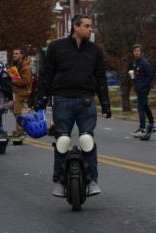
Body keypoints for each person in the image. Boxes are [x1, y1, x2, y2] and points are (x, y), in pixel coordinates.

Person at [36, 14, 111, 197]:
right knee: (62, 140)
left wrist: (105, 103)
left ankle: (93, 181)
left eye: (90, 26)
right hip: (62, 99)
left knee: (87, 140)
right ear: (75, 27)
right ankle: (60, 181)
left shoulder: (95, 51)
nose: (90, 29)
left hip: (86, 100)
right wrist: (41, 100)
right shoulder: (56, 47)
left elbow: (100, 78)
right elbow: (46, 74)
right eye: (87, 26)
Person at [128, 44, 155, 137]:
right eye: (135, 51)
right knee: (145, 106)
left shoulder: (144, 62)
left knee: (140, 108)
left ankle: (142, 129)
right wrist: (133, 78)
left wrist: (142, 86)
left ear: (141, 52)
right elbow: (138, 76)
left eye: (138, 51)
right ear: (133, 52)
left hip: (144, 88)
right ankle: (151, 124)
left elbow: (150, 76)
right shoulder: (135, 63)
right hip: (139, 88)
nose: (137, 52)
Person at [8, 48, 33, 137]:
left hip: (23, 92)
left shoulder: (25, 67)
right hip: (17, 91)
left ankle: (20, 130)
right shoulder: (15, 65)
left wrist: (13, 80)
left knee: (17, 111)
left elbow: (25, 80)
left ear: (21, 55)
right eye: (14, 53)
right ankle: (22, 128)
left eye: (17, 53)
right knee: (15, 110)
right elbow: (14, 77)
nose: (14, 55)